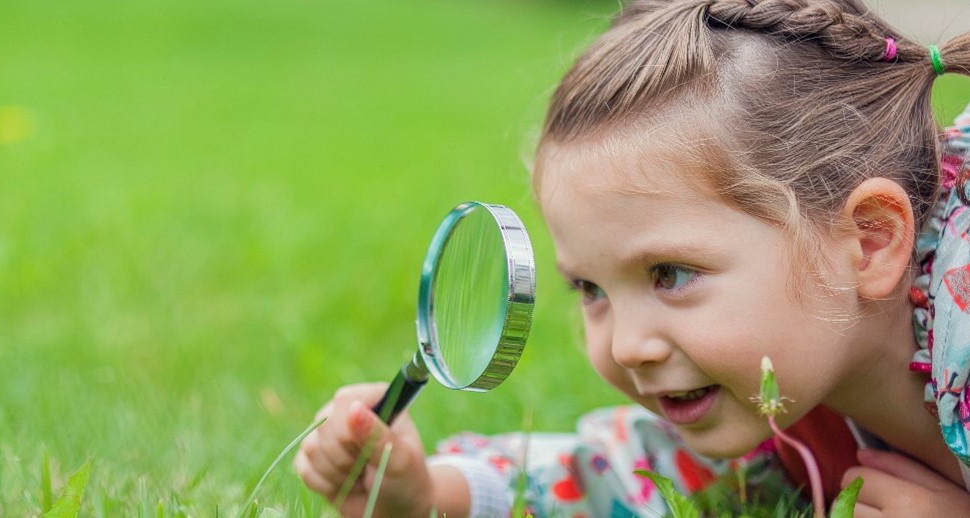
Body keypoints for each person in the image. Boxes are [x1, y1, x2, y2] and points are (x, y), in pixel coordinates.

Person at [293, 0, 970, 515]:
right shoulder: (785, 390)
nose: (627, 345)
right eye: (590, 290)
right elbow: (630, 468)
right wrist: (431, 492)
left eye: (670, 275)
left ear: (871, 242)